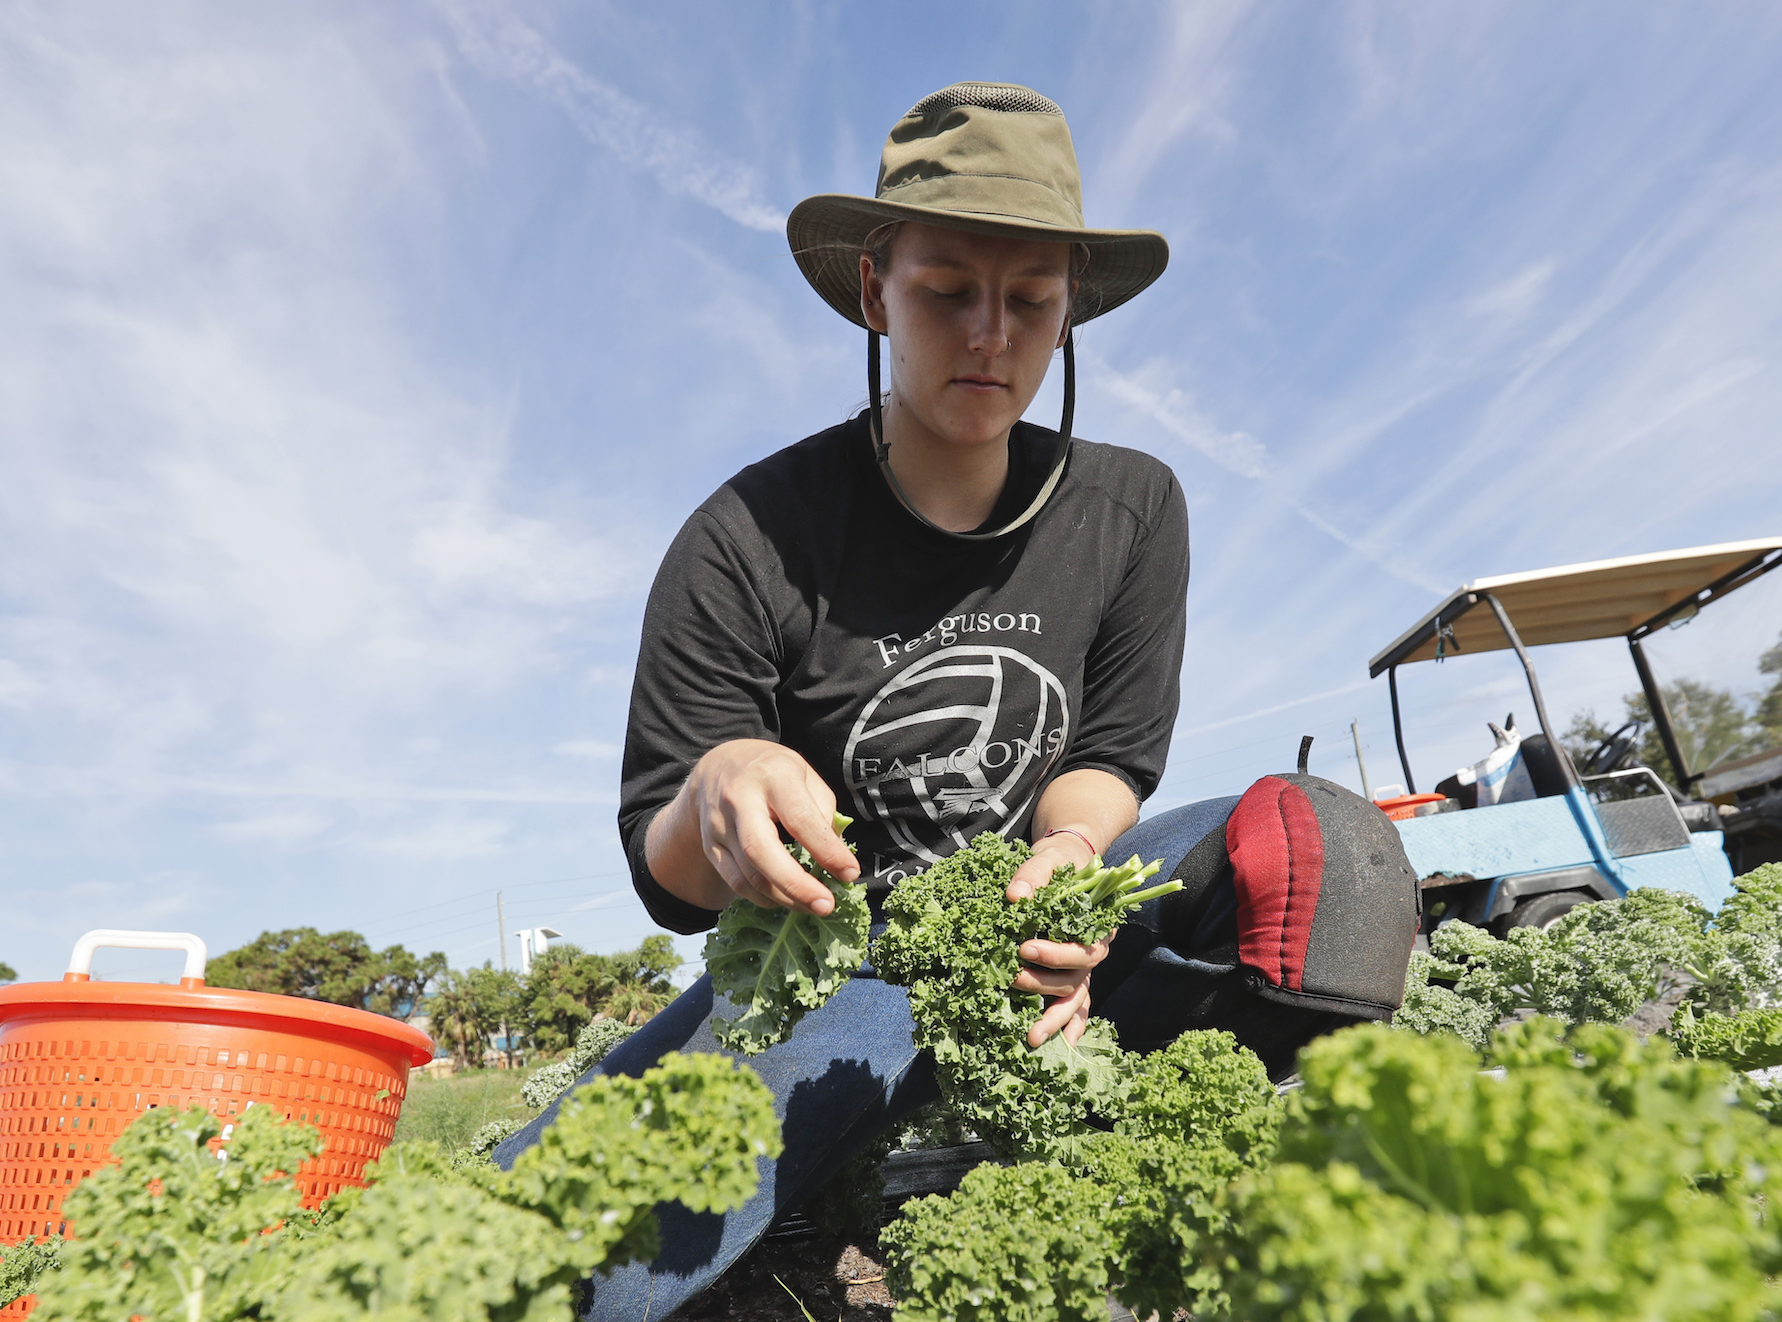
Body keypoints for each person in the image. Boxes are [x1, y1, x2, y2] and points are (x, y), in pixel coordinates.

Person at [495, 82, 1419, 1321]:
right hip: (849, 961)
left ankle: (1106, 1113)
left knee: (1333, 852)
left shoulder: (1133, 506)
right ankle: (908, 1125)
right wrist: (718, 787)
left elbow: (1107, 751)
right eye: (947, 291)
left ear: (1068, 315)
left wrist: (1074, 856)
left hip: (1048, 901)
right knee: (603, 1246)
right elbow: (666, 876)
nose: (991, 331)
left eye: (1032, 299)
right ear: (876, 289)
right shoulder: (745, 535)